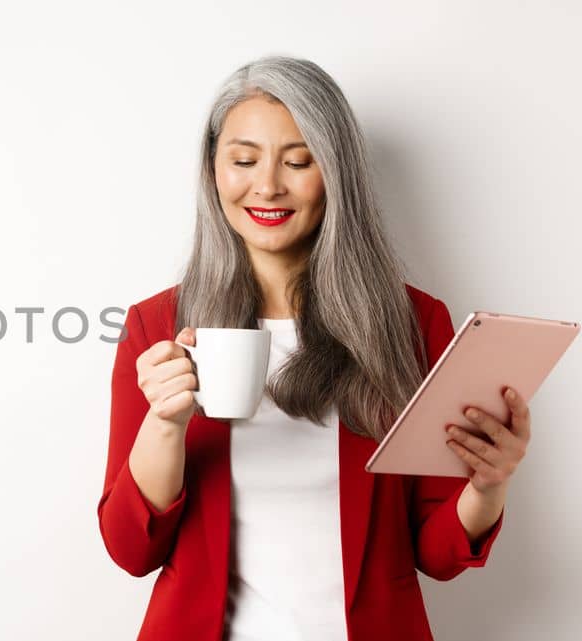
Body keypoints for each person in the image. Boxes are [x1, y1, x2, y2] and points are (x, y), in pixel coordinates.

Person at [96, 56, 530, 641]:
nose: (268, 185)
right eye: (244, 160)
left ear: (338, 173)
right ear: (213, 171)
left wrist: (487, 485)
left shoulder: (413, 323)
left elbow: (437, 551)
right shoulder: (156, 325)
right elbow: (131, 550)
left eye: (299, 161)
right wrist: (165, 424)